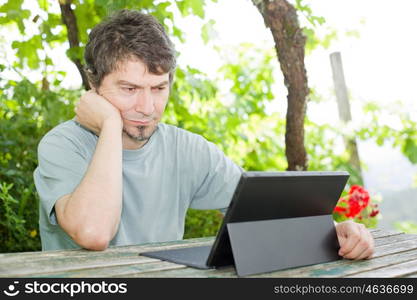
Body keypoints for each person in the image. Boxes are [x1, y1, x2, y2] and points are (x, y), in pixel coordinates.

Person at [33, 9, 374, 260]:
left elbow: (266, 212)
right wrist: (109, 126)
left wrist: (338, 231)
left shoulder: (186, 149)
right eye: (129, 88)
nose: (147, 107)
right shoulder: (62, 146)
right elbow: (93, 233)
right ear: (93, 85)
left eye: (158, 88)